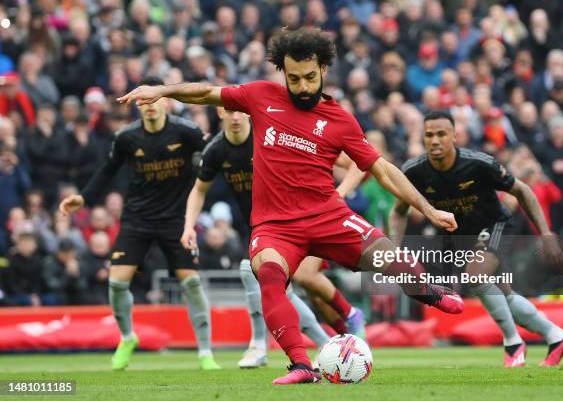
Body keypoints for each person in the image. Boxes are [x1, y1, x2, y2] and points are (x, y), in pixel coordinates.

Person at [118, 28, 463, 385]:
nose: (301, 86)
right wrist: (162, 90)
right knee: (267, 272)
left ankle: (429, 291)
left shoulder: (340, 119)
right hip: (275, 226)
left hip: (329, 216)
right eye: (293, 77)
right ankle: (301, 365)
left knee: (391, 260)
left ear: (324, 69)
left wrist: (429, 209)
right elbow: (207, 92)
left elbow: (382, 170)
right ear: (283, 71)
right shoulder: (261, 96)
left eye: (309, 77)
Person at [181, 106, 366, 368]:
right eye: (228, 111)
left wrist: (339, 193)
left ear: (248, 112)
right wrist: (189, 226)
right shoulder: (216, 150)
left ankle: (342, 319)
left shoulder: (271, 135)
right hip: (260, 227)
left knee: (279, 278)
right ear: (220, 113)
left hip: (296, 219)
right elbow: (199, 190)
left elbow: (354, 162)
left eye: (239, 111)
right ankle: (330, 341)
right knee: (284, 290)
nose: (235, 116)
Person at [59, 76, 220, 371]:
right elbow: (107, 171)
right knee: (117, 282)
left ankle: (205, 352)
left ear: (166, 101)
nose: (148, 106)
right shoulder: (126, 137)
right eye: (143, 101)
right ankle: (127, 337)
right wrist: (82, 199)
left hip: (176, 219)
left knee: (192, 283)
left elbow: (215, 154)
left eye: (153, 99)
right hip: (137, 218)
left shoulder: (186, 131)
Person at [390, 110, 563, 368]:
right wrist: (394, 251)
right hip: (461, 237)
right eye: (429, 135)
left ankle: (513, 343)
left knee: (475, 276)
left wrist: (545, 233)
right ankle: (557, 336)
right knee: (504, 295)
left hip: (494, 224)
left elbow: (523, 190)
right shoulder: (414, 171)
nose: (434, 140)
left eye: (441, 134)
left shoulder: (479, 163)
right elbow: (398, 211)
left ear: (454, 136)